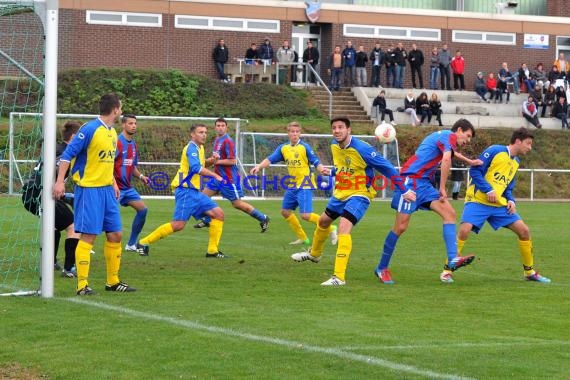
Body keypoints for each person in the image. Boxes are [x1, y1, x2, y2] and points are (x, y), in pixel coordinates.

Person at [290, 117, 400, 286]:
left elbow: (387, 167)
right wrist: (332, 173)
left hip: (360, 193)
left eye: (341, 127)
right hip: (342, 191)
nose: (337, 130)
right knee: (323, 221)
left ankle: (338, 277)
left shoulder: (362, 148)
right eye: (334, 127)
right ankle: (314, 254)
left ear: (349, 130)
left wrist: (404, 190)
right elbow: (344, 168)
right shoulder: (334, 145)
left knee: (343, 227)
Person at [374, 119, 482, 285]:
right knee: (400, 227)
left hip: (423, 184)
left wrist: (469, 162)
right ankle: (382, 268)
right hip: (410, 181)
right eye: (467, 136)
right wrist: (443, 187)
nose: (467, 141)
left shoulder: (444, 138)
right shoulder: (449, 136)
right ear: (459, 130)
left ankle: (453, 258)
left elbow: (451, 154)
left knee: (450, 213)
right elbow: (447, 160)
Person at [53, 93, 136, 295]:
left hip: (107, 190)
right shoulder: (89, 129)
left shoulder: (111, 133)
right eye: (121, 107)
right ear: (115, 109)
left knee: (116, 234)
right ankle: (82, 285)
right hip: (89, 190)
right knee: (89, 235)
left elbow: (106, 162)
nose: (122, 110)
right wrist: (59, 182)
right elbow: (67, 156)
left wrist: (114, 182)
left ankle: (113, 282)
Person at [458, 127, 551, 283]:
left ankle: (529, 272)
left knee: (524, 231)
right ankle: (447, 270)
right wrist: (488, 190)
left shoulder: (516, 162)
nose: (530, 147)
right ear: (517, 141)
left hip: (498, 204)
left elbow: (508, 187)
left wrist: (511, 200)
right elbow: (475, 171)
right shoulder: (495, 150)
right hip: (478, 200)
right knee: (464, 230)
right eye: (528, 144)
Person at [136, 124, 228, 259]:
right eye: (200, 132)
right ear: (193, 134)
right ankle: (143, 242)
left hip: (195, 192)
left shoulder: (199, 148)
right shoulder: (191, 148)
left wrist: (212, 160)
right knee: (178, 225)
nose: (204, 135)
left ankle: (212, 251)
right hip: (185, 191)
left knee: (218, 214)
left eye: (205, 132)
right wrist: (216, 175)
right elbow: (196, 168)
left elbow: (201, 164)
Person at [249, 121, 337, 248]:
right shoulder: (283, 148)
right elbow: (270, 159)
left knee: (305, 215)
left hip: (305, 184)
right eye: (292, 132)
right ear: (288, 133)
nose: (295, 134)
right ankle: (302, 238)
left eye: (297, 132)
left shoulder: (304, 147)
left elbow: (315, 161)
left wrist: (321, 169)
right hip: (293, 184)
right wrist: (259, 166)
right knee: (285, 211)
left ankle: (331, 227)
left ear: (300, 133)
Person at [22, 121, 82, 277]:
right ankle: (69, 268)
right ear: (74, 136)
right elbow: (56, 167)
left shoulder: (54, 148)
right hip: (40, 194)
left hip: (30, 193)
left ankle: (51, 261)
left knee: (54, 225)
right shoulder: (65, 152)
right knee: (73, 227)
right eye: (81, 136)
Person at [193, 118, 270, 231]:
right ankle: (208, 220)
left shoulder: (227, 141)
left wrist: (216, 162)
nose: (220, 127)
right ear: (215, 127)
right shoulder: (217, 140)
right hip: (217, 178)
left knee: (237, 204)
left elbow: (233, 161)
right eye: (218, 125)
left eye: (222, 125)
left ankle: (263, 218)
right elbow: (216, 158)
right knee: (202, 198)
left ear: (226, 127)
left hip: (228, 179)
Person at [114, 114, 150, 253]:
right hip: (115, 187)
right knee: (109, 217)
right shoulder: (117, 142)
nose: (133, 125)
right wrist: (113, 184)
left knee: (143, 210)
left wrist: (141, 176)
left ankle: (131, 244)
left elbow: (132, 166)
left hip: (127, 188)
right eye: (130, 123)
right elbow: (108, 165)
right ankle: (87, 242)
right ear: (123, 125)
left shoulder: (133, 144)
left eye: (135, 123)